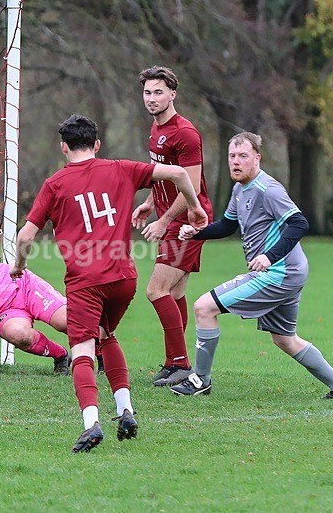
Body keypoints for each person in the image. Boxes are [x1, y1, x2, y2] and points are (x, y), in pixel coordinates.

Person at [13, 114, 208, 452]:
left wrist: (19, 264)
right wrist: (194, 208)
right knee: (105, 335)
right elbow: (178, 173)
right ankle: (126, 411)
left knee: (83, 351)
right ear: (97, 144)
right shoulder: (121, 168)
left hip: (85, 282)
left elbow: (26, 234)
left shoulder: (55, 184)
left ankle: (91, 425)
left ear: (63, 147)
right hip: (124, 278)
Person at [172, 132, 333, 400]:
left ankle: (200, 380)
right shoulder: (239, 188)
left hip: (278, 273)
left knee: (203, 307)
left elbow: (299, 224)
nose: (236, 162)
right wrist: (196, 233)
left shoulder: (268, 189)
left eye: (243, 156)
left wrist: (269, 257)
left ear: (257, 158)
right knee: (285, 339)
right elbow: (228, 225)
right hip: (290, 273)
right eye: (232, 156)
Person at [131, 66, 215, 387]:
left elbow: (190, 186)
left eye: (158, 92)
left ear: (173, 94)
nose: (151, 99)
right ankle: (173, 362)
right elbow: (161, 174)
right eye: (147, 92)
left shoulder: (186, 134)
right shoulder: (154, 130)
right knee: (175, 291)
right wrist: (150, 203)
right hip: (171, 219)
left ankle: (180, 365)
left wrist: (164, 220)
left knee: (155, 290)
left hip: (188, 223)